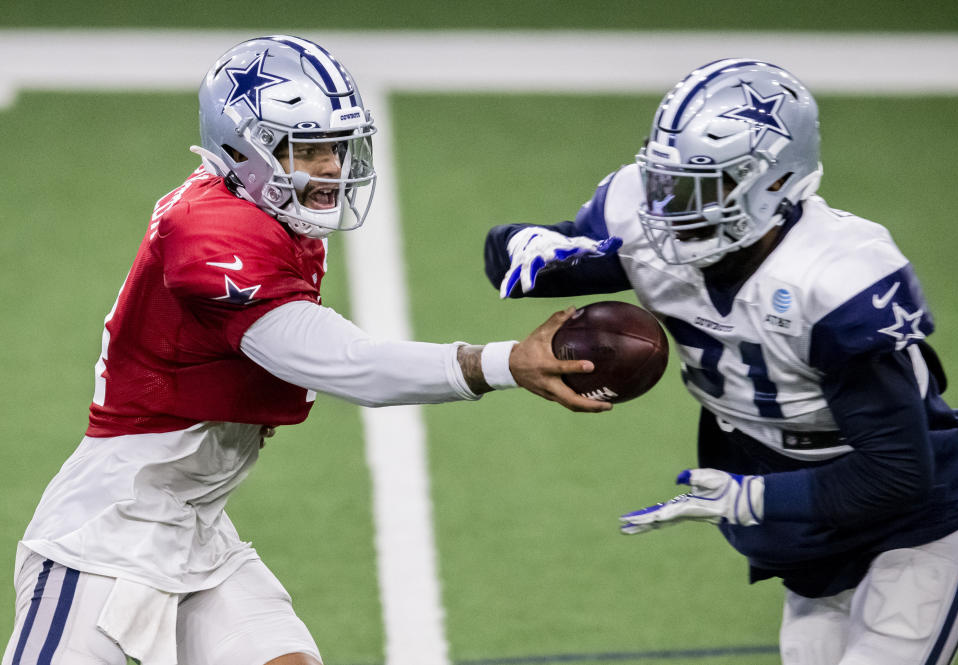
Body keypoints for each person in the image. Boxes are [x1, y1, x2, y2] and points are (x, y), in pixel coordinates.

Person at [2, 35, 612, 665]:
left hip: (195, 529)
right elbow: (349, 364)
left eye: (336, 147)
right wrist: (500, 363)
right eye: (306, 147)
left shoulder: (271, 218)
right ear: (241, 146)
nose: (330, 168)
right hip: (107, 536)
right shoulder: (211, 230)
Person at [484, 58, 958, 665]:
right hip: (803, 521)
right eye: (669, 180)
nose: (674, 204)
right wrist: (526, 243)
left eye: (706, 184)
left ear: (775, 183)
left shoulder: (835, 278)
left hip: (913, 520)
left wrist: (751, 500)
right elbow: (518, 266)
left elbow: (897, 474)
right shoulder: (657, 222)